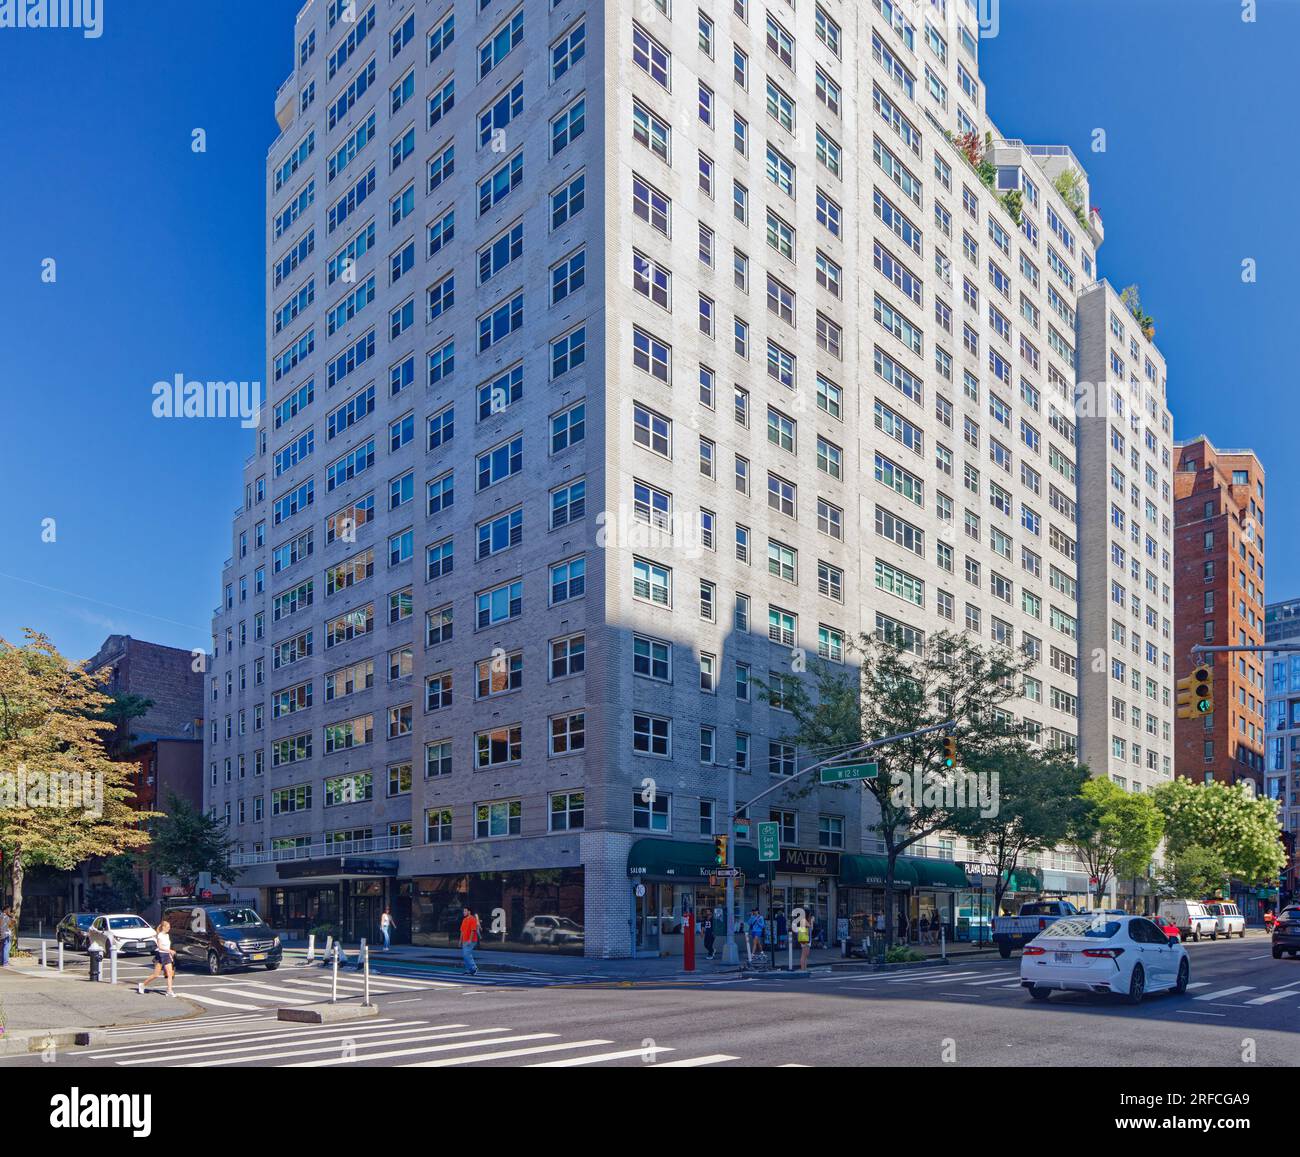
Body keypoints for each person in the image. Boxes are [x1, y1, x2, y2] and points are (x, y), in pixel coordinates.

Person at [137, 919, 176, 997]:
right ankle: (142, 984)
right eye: (168, 927)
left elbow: (167, 946)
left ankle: (169, 990)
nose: (169, 928)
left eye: (169, 927)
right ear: (163, 927)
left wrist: (170, 955)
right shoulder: (160, 935)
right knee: (156, 975)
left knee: (170, 974)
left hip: (167, 955)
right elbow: (160, 947)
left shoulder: (167, 935)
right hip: (161, 955)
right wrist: (170, 950)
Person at [459, 906, 481, 976]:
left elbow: (473, 930)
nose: (464, 912)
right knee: (465, 955)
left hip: (471, 940)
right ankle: (469, 969)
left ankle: (474, 968)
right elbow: (462, 931)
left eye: (465, 911)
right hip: (464, 940)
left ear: (469, 912)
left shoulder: (472, 919)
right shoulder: (464, 920)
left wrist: (470, 940)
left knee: (466, 954)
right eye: (463, 911)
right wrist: (460, 941)